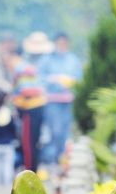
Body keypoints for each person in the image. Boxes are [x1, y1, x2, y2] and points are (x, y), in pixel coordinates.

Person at [10, 32, 53, 172]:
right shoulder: (28, 66)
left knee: (30, 142)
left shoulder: (28, 66)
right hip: (33, 107)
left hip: (32, 108)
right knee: (31, 142)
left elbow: (26, 91)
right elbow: (27, 90)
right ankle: (31, 171)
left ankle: (31, 171)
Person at [39, 33, 82, 165]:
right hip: (53, 102)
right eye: (59, 43)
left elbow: (79, 79)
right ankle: (53, 160)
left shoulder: (73, 60)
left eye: (64, 43)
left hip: (68, 101)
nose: (61, 46)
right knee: (54, 132)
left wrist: (70, 81)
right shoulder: (47, 59)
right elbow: (40, 78)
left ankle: (64, 162)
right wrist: (53, 79)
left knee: (65, 132)